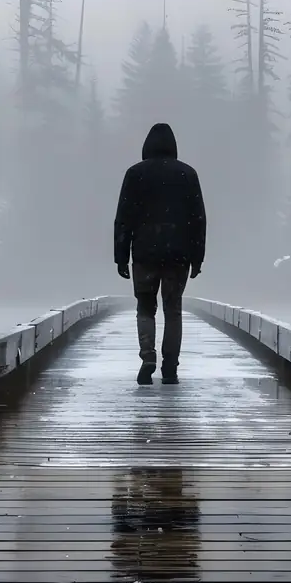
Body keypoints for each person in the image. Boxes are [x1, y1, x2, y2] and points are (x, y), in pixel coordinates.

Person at [114, 122, 206, 385]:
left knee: (145, 307)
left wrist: (121, 255)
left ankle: (147, 357)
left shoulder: (135, 174)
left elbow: (124, 218)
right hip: (179, 255)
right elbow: (198, 219)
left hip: (144, 253)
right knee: (173, 309)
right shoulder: (188, 175)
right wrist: (197, 256)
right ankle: (170, 367)